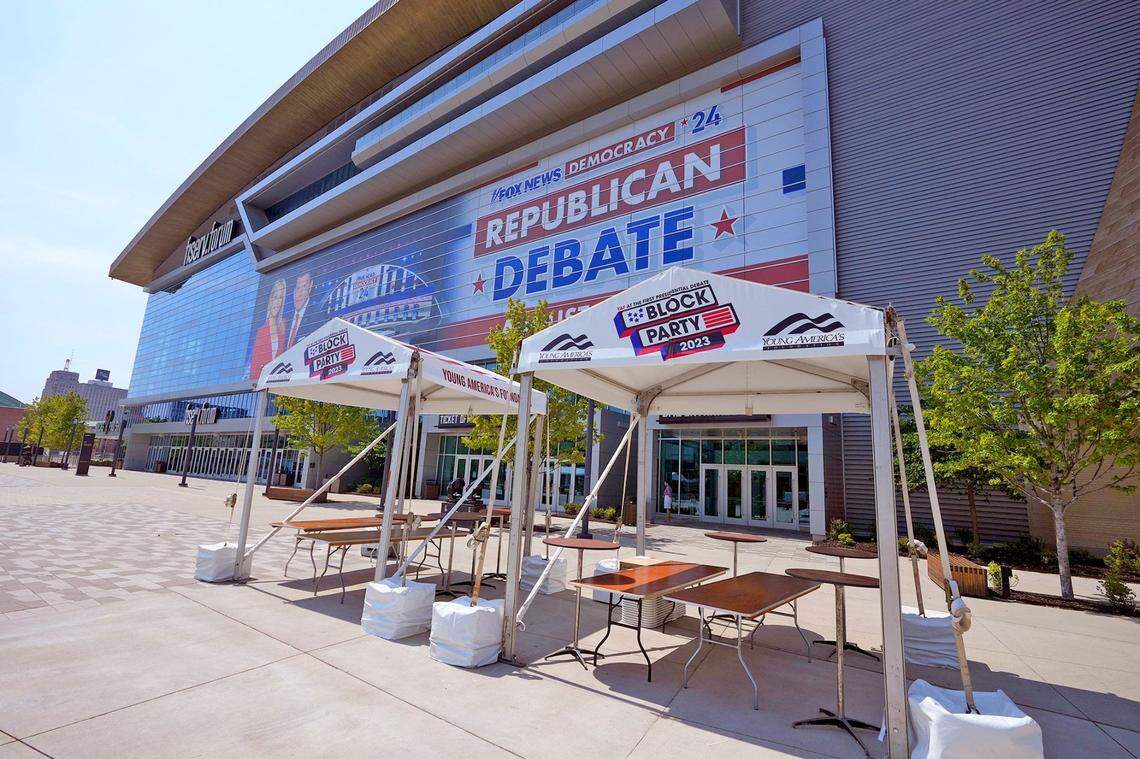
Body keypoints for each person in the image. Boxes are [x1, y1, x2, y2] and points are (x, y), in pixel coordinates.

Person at [249, 278, 288, 380]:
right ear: (270, 299)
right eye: (275, 297)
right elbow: (253, 370)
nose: (277, 302)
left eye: (280, 298)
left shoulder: (282, 328)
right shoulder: (261, 332)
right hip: (262, 383)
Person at [286, 271, 314, 348]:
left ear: (311, 286)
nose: (300, 293)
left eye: (304, 286)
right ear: (294, 290)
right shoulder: (285, 321)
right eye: (298, 288)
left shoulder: (316, 317)